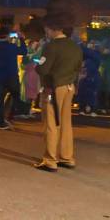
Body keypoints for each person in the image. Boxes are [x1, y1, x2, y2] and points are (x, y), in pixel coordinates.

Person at [35, 17, 83, 172]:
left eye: (47, 30)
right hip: (69, 86)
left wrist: (37, 64)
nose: (46, 32)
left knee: (51, 123)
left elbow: (42, 69)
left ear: (53, 29)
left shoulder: (52, 46)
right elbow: (78, 68)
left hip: (53, 88)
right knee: (65, 123)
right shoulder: (75, 46)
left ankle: (50, 160)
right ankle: (67, 157)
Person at [0, 27, 27, 129]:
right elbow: (24, 51)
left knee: (0, 100)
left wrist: (7, 37)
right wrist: (21, 39)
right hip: (11, 75)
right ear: (7, 36)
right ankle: (13, 114)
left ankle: (1, 121)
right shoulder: (11, 46)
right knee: (16, 95)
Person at [18, 40, 42, 119]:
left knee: (31, 94)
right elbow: (23, 65)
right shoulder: (28, 53)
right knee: (26, 94)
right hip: (29, 75)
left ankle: (27, 111)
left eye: (37, 44)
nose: (36, 45)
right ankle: (23, 111)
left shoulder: (37, 53)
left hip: (34, 76)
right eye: (35, 44)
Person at [78, 41, 102, 117]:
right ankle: (82, 109)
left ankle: (93, 109)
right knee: (82, 93)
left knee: (93, 94)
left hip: (93, 77)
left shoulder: (96, 54)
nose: (91, 45)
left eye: (93, 44)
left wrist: (80, 45)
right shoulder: (85, 55)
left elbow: (90, 53)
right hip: (84, 76)